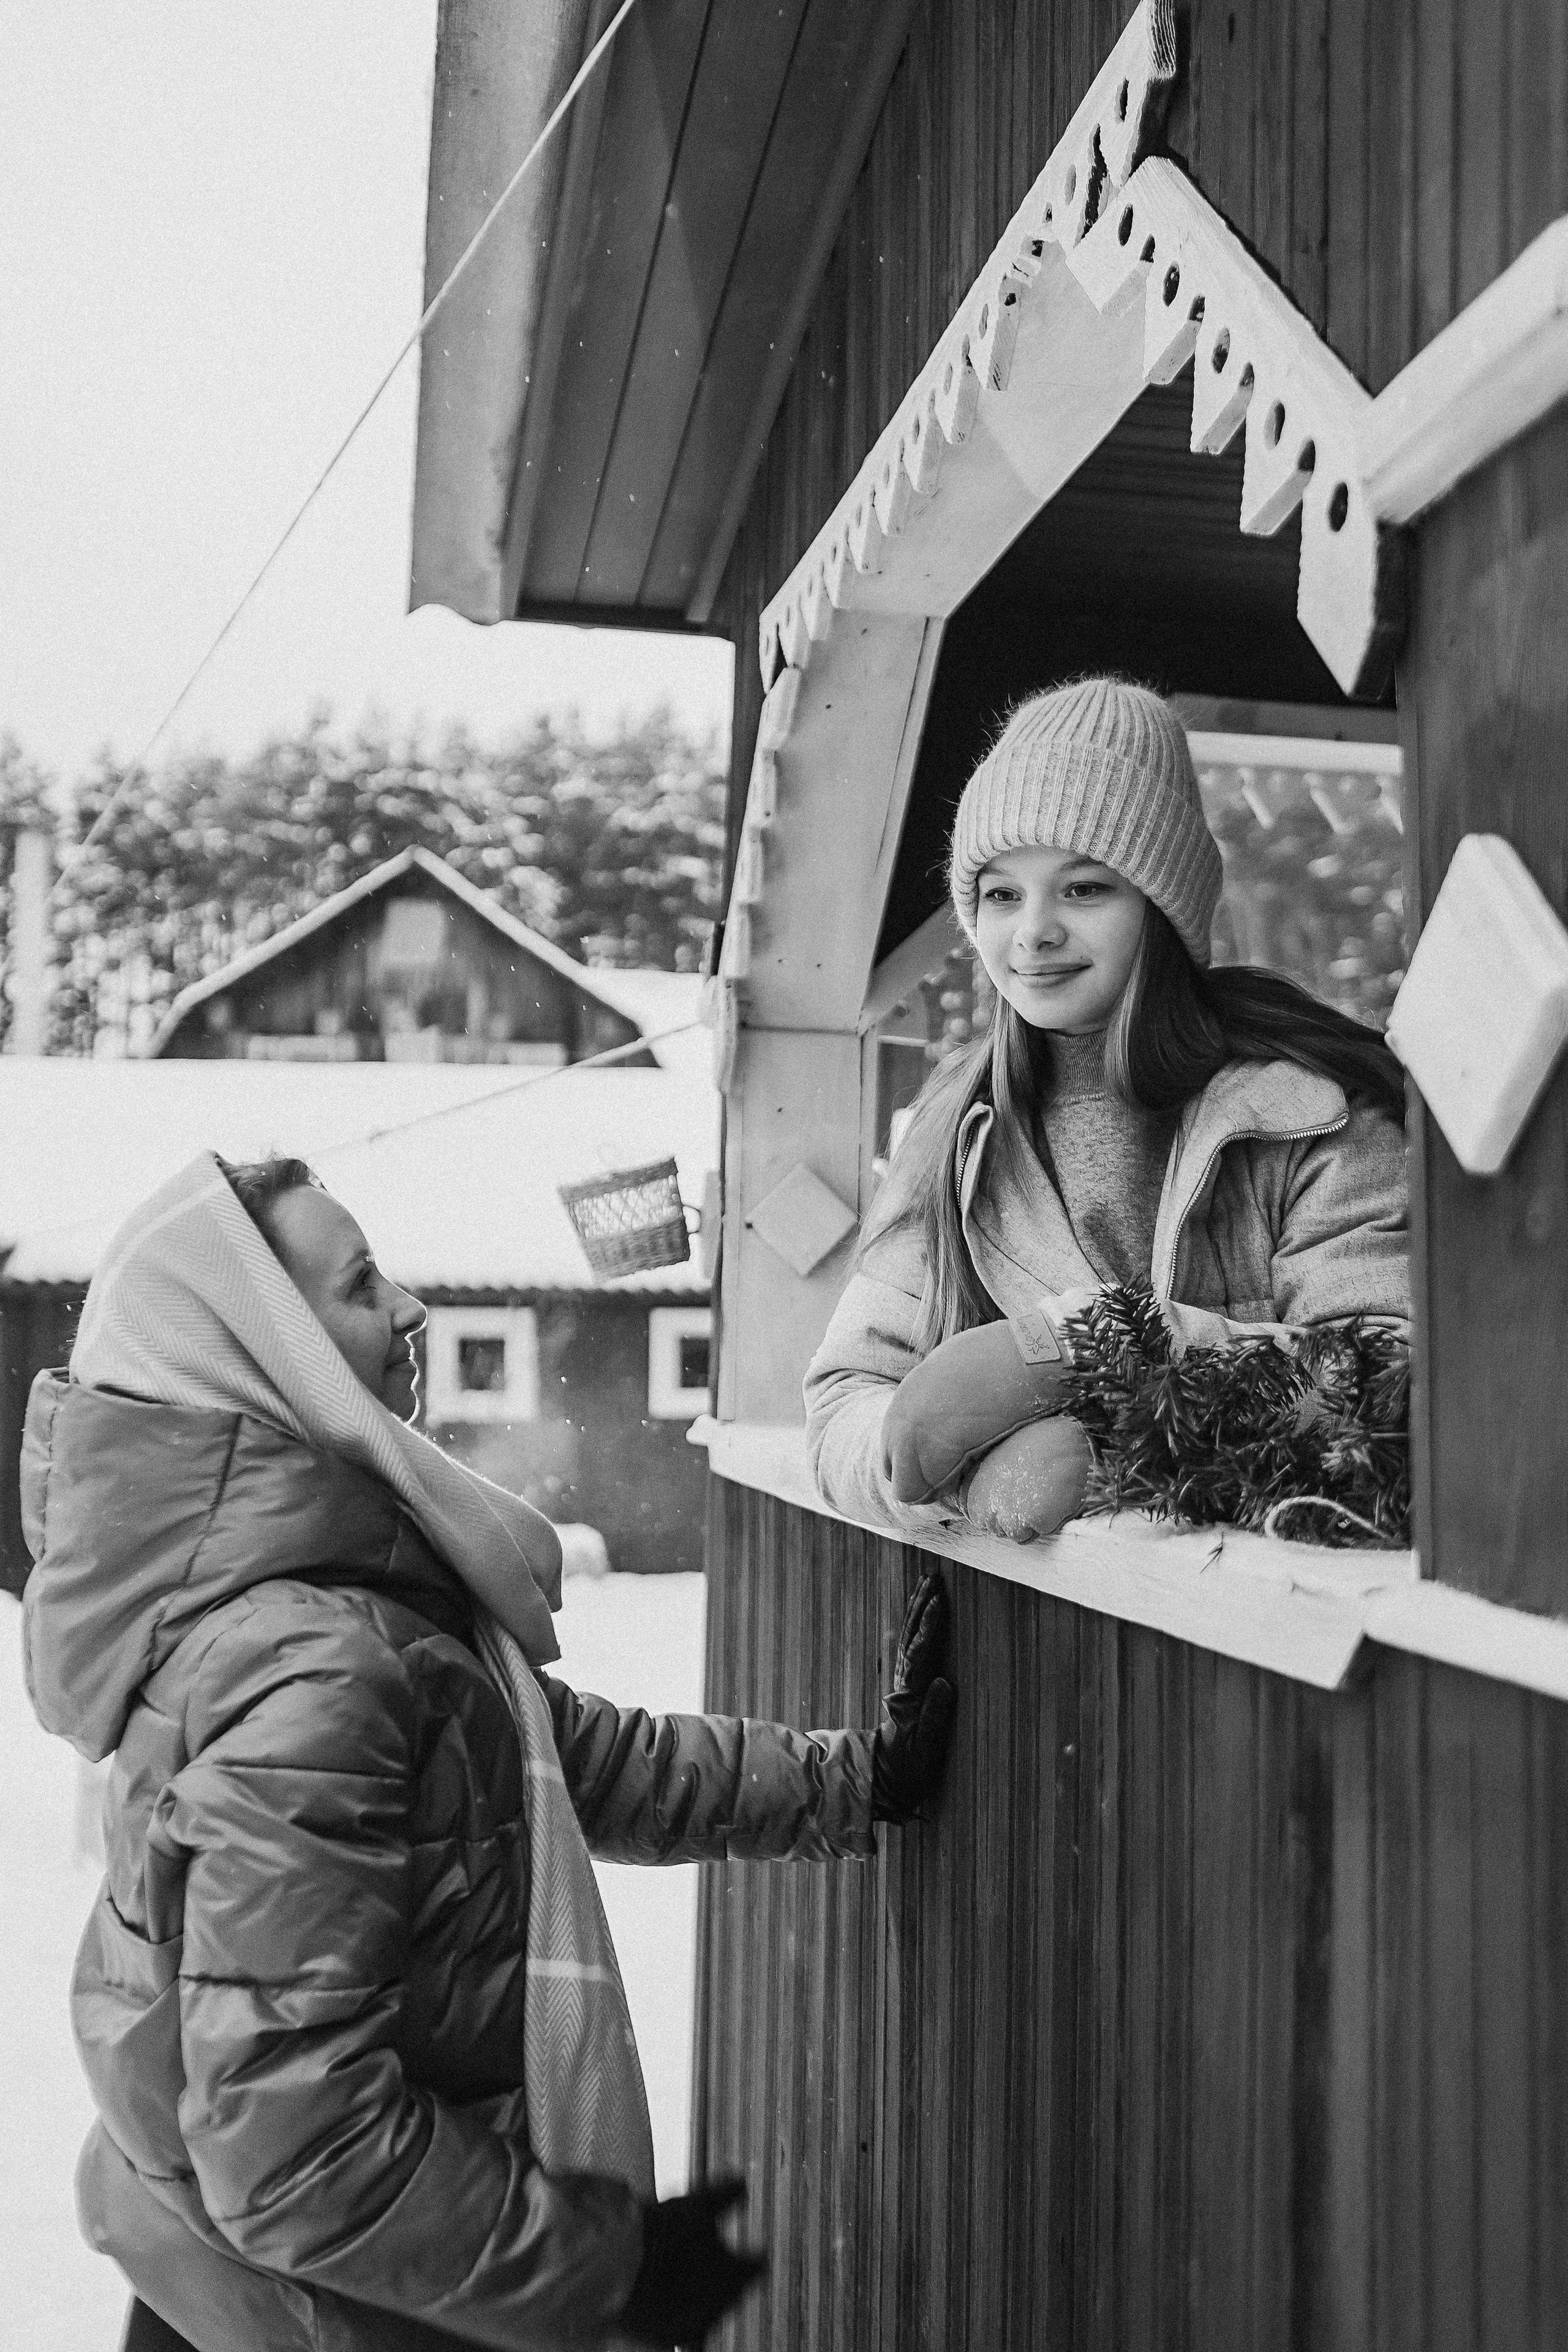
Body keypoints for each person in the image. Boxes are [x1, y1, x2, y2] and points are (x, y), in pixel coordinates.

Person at [20, 1151, 955, 2352]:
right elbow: (297, 2155)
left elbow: (577, 1762)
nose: (408, 1309)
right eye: (359, 1288)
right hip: (329, 2316)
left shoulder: (335, 1607)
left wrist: (856, 1780)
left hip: (288, 2294)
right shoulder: (306, 1669)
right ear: (265, 1362)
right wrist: (604, 2272)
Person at [805, 674, 1408, 1542]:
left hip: (1284, 1637)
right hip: (1038, 1652)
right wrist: (967, 1480)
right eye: (1002, 894)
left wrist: (1080, 1353)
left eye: (1084, 889)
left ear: (1162, 910)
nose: (1034, 931)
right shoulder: (956, 1129)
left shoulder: (1307, 1109)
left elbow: (1385, 1378)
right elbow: (845, 1399)